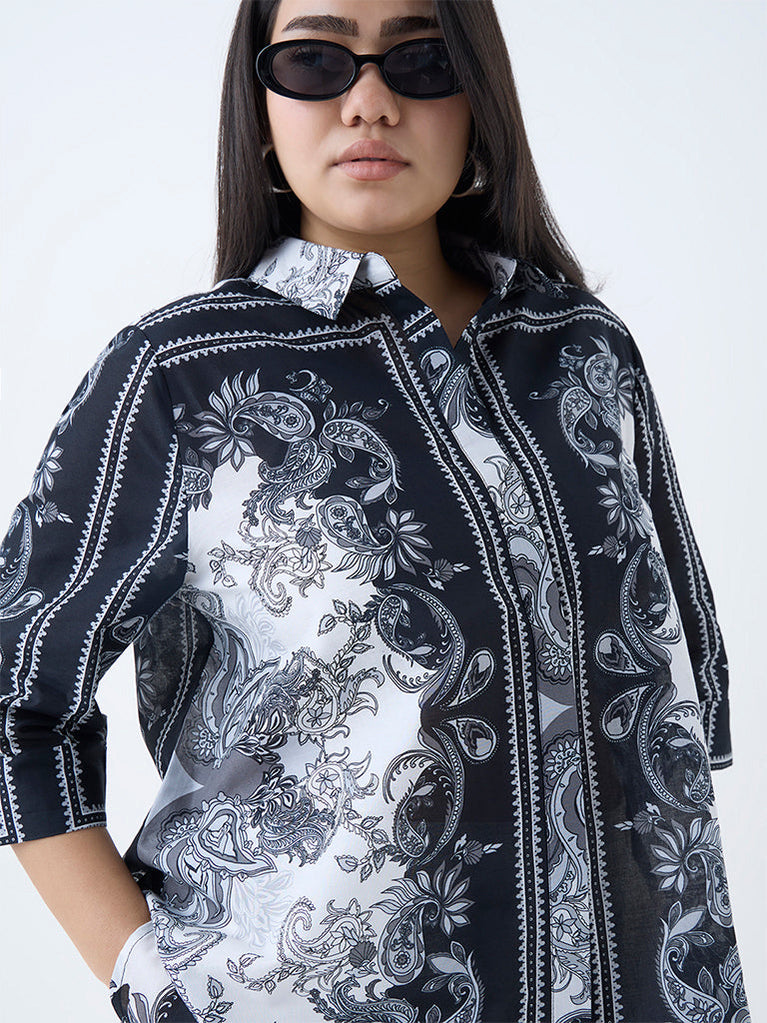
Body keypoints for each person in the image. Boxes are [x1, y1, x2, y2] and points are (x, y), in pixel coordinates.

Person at [0, 1, 753, 1021]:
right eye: (315, 61)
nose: (369, 102)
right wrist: (149, 976)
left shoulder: (584, 350)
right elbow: (17, 695)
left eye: (420, 59)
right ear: (259, 105)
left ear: (477, 93)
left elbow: (671, 704)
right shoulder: (183, 377)